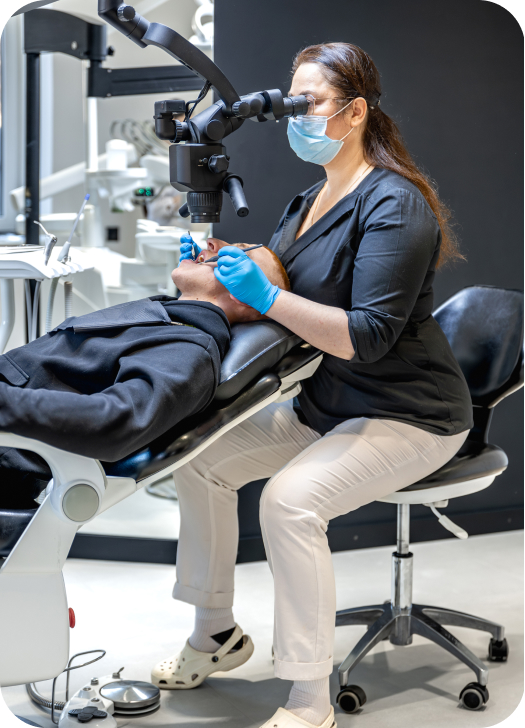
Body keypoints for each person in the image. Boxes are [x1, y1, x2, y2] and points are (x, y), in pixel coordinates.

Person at [154, 43, 473, 728]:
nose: (295, 115)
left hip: (409, 414)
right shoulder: (311, 198)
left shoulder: (395, 205)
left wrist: (265, 296)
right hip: (329, 404)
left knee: (290, 503)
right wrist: (219, 264)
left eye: (310, 103)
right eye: (291, 101)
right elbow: (283, 280)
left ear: (355, 113)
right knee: (198, 460)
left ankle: (307, 700)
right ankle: (214, 634)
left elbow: (365, 336)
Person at [0, 243, 290, 510]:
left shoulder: (188, 348)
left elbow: (114, 421)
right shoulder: (165, 320)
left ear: (243, 292)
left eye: (238, 252)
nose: (213, 244)